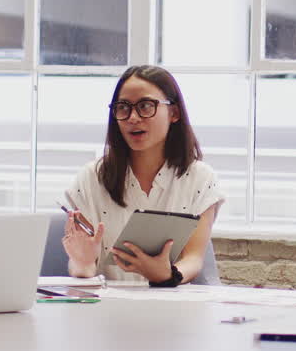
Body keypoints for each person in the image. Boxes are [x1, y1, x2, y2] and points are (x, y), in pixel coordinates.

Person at [63, 65, 224, 284]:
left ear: (174, 112)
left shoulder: (200, 178)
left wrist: (167, 275)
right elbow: (82, 268)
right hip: (107, 309)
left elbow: (194, 259)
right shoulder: (91, 178)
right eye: (123, 107)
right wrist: (82, 264)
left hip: (173, 307)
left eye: (146, 106)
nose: (133, 117)